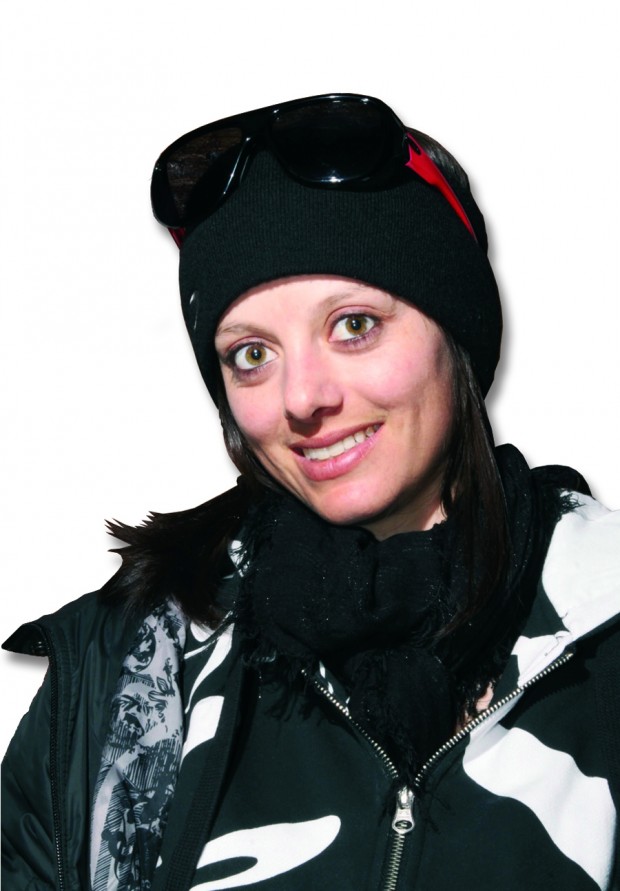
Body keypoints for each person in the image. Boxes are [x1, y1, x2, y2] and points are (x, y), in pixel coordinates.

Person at [2, 93, 618, 891]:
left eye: (354, 325)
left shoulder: (599, 632)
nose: (301, 397)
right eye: (251, 354)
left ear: (455, 333)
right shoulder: (123, 670)